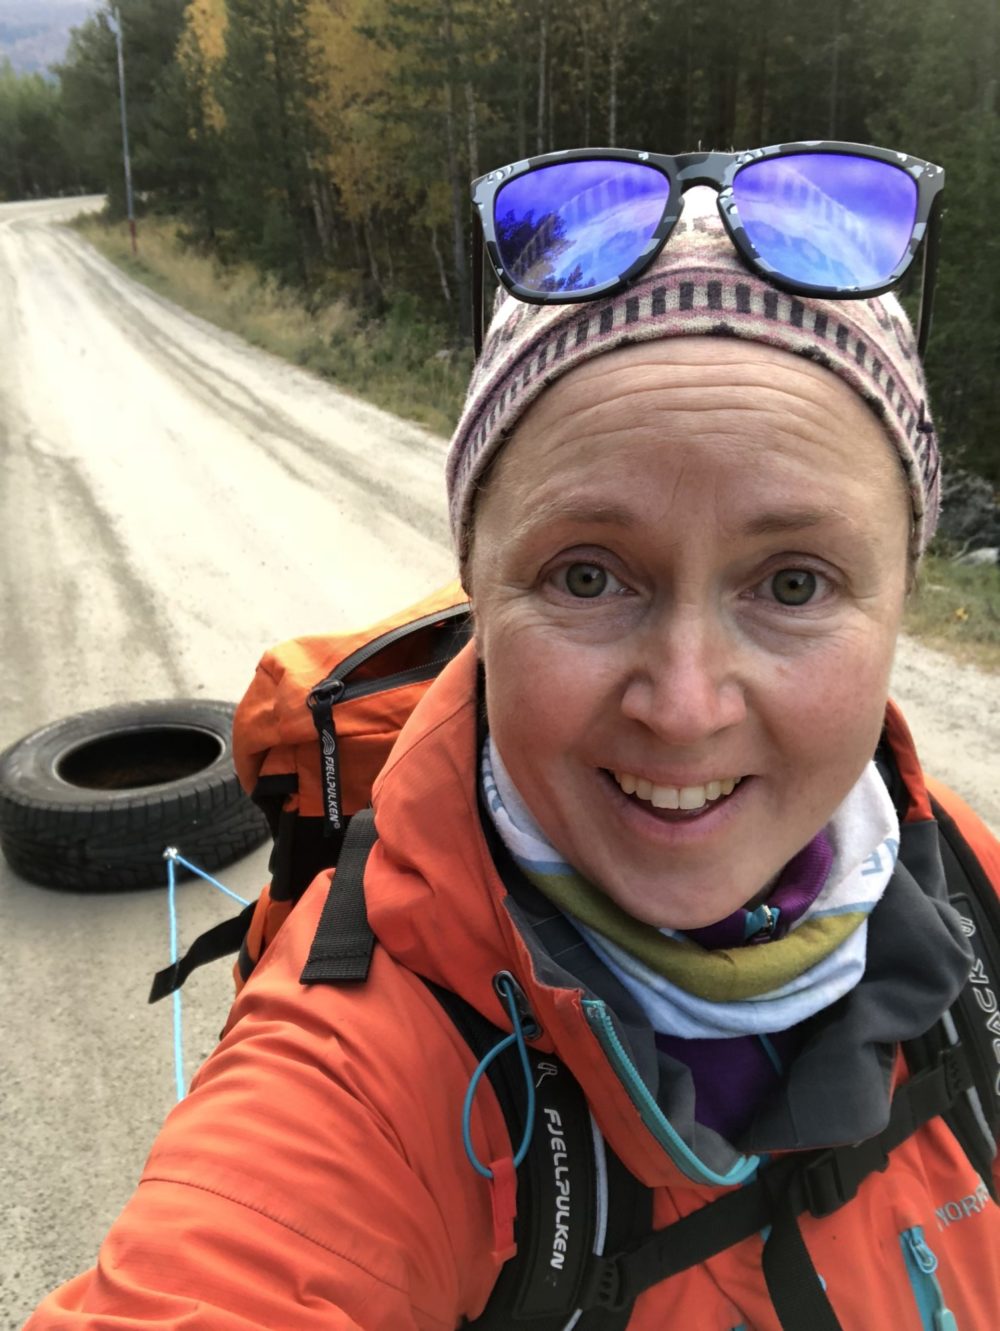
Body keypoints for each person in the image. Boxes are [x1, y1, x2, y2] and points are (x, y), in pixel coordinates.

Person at [25, 144, 1000, 1330]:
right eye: (586, 573)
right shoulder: (360, 1062)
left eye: (793, 583)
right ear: (474, 590)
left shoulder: (971, 885)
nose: (685, 705)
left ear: (903, 589)